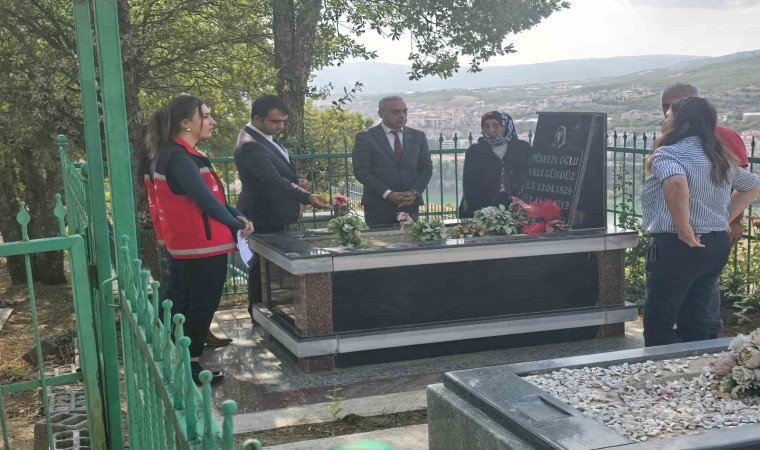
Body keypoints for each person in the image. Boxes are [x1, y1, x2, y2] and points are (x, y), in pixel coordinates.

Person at [144, 95, 254, 385]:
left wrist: (237, 215)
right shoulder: (179, 158)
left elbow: (213, 198)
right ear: (186, 123)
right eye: (205, 116)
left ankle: (174, 358)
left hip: (192, 244)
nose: (211, 121)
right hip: (200, 245)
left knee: (180, 299)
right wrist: (236, 225)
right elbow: (205, 201)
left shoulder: (178, 153)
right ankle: (190, 365)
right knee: (200, 304)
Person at [641, 96, 760, 347]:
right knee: (696, 316)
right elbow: (753, 185)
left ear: (681, 122)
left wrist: (684, 229)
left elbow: (676, 183)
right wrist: (724, 217)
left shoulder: (669, 153)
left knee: (659, 321)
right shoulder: (718, 156)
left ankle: (658, 368)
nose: (663, 121)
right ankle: (695, 365)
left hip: (677, 244)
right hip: (715, 244)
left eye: (668, 116)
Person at [234, 95, 330, 317]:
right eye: (275, 121)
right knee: (262, 269)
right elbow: (272, 180)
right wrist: (306, 196)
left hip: (275, 212)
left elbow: (279, 173)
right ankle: (259, 315)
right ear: (257, 119)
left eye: (283, 121)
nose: (280, 126)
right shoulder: (250, 144)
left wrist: (296, 182)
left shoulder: (265, 136)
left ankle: (275, 312)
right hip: (263, 215)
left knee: (273, 268)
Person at [352, 96, 433, 226]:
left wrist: (414, 192)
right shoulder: (366, 138)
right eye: (395, 112)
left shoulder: (418, 137)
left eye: (404, 111)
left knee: (411, 238)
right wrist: (388, 194)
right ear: (381, 114)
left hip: (410, 204)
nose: (402, 115)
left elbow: (426, 168)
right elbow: (362, 171)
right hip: (378, 206)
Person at [459, 111, 531, 217]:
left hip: (518, 208)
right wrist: (484, 212)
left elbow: (530, 178)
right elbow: (469, 187)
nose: (491, 130)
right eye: (486, 126)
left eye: (496, 126)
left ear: (506, 127)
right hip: (483, 209)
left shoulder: (522, 148)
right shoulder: (475, 151)